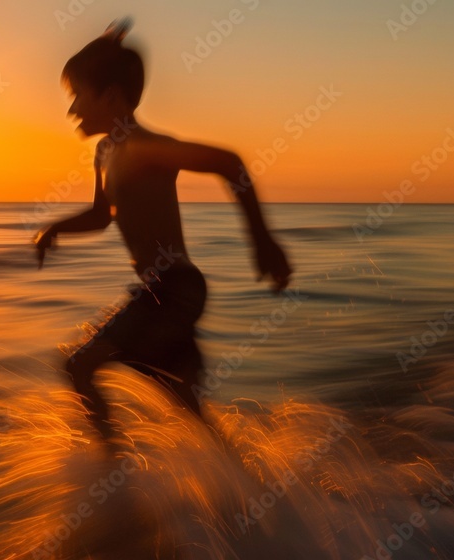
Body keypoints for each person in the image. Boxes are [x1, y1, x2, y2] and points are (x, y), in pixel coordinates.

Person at [34, 18, 292, 442]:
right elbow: (102, 216)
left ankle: (115, 479)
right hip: (163, 291)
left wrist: (263, 242)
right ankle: (244, 493)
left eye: (78, 95)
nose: (71, 109)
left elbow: (230, 163)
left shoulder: (144, 149)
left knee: (79, 367)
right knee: (187, 409)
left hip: (173, 290)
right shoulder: (105, 152)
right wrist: (55, 230)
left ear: (112, 96)